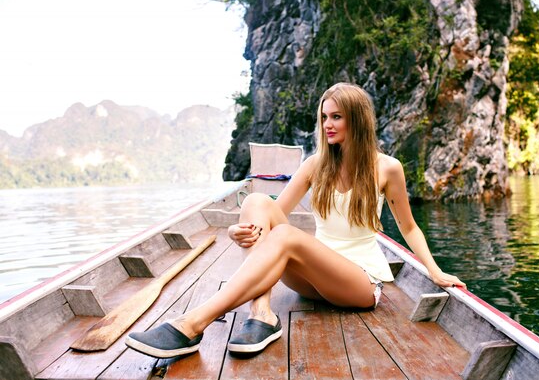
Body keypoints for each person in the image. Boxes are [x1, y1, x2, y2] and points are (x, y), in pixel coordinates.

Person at [125, 82, 466, 359]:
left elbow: (408, 226)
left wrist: (434, 271)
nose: (327, 125)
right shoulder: (317, 164)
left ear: (358, 120)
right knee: (258, 200)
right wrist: (235, 229)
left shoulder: (387, 168)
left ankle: (192, 323)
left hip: (359, 283)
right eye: (323, 118)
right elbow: (274, 214)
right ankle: (262, 315)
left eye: (336, 117)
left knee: (286, 237)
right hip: (312, 280)